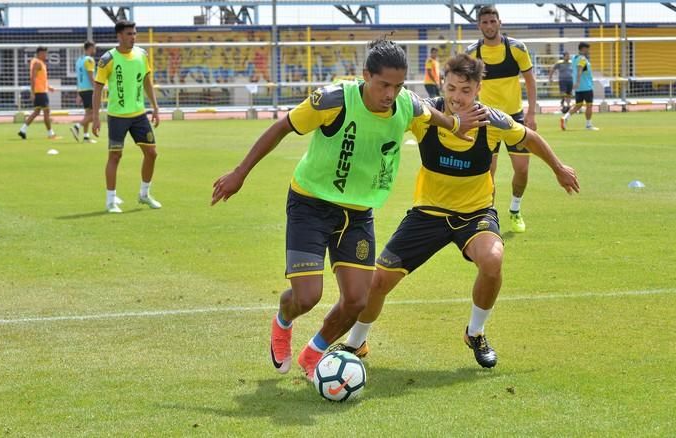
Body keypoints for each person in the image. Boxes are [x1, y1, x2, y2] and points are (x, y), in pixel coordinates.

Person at [211, 39, 489, 382]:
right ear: (365, 76)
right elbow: (282, 127)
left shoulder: (405, 103)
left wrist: (455, 125)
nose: (391, 93)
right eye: (383, 84)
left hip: (358, 214)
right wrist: (240, 173)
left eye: (398, 85)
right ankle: (283, 320)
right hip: (311, 204)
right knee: (307, 296)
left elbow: (429, 113)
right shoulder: (333, 100)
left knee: (357, 300)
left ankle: (313, 354)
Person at [338, 54, 580, 369]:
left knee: (492, 261)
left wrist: (559, 168)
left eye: (465, 90)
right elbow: (389, 112)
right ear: (443, 84)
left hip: (474, 214)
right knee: (379, 282)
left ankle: (475, 333)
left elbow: (530, 138)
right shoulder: (426, 115)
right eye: (451, 88)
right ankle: (356, 343)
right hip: (428, 213)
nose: (456, 97)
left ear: (478, 89)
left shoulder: (492, 121)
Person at [466, 6, 537, 234]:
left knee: (523, 169)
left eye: (492, 21)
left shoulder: (516, 48)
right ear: (479, 25)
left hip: (515, 117)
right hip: (486, 119)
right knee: (488, 172)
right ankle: (488, 217)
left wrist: (532, 113)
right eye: (484, 22)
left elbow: (530, 80)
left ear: (500, 22)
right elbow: (465, 85)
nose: (489, 25)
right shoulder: (472, 53)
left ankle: (515, 210)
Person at [92, 20, 162, 214]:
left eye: (134, 33)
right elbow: (97, 89)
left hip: (139, 115)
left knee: (152, 153)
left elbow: (147, 82)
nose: (133, 37)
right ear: (119, 36)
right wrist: (96, 117)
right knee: (115, 156)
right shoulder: (108, 59)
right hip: (117, 116)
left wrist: (155, 107)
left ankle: (144, 194)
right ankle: (110, 200)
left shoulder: (142, 55)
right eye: (129, 34)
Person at [18, 46, 60, 140]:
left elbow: (40, 79)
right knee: (46, 112)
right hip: (40, 92)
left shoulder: (39, 63)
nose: (46, 55)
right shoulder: (37, 63)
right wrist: (32, 92)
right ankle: (51, 134)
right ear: (40, 53)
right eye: (45, 53)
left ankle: (23, 130)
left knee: (36, 112)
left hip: (41, 91)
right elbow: (33, 78)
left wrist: (48, 87)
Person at [561, 43, 599, 131]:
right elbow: (579, 69)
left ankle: (565, 118)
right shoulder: (583, 59)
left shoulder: (574, 58)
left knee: (578, 105)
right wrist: (578, 82)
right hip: (586, 86)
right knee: (589, 105)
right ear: (583, 49)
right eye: (587, 49)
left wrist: (576, 83)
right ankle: (588, 125)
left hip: (579, 88)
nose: (588, 51)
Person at [71, 41, 97, 143]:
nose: (95, 50)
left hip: (82, 90)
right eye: (94, 48)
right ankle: (77, 126)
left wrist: (78, 94)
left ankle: (86, 137)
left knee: (88, 114)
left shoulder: (79, 60)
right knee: (94, 115)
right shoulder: (89, 60)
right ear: (90, 48)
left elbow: (79, 78)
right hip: (89, 90)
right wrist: (97, 88)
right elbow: (91, 77)